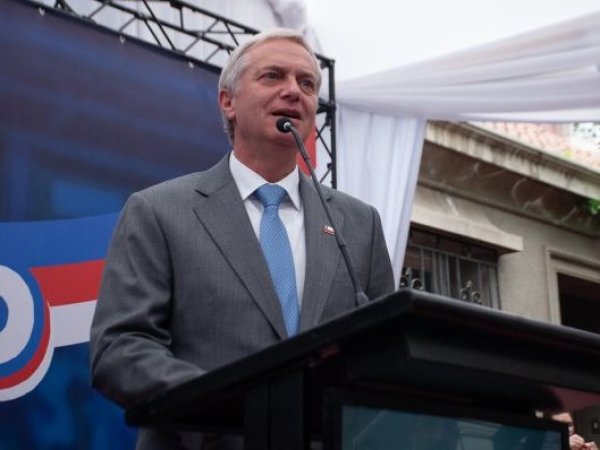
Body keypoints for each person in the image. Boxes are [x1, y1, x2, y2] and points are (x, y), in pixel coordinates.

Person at [90, 28, 395, 449]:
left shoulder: (360, 224)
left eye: (307, 83)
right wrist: (230, 409)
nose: (294, 91)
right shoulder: (159, 211)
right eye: (273, 76)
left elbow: (387, 355)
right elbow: (120, 347)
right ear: (228, 102)